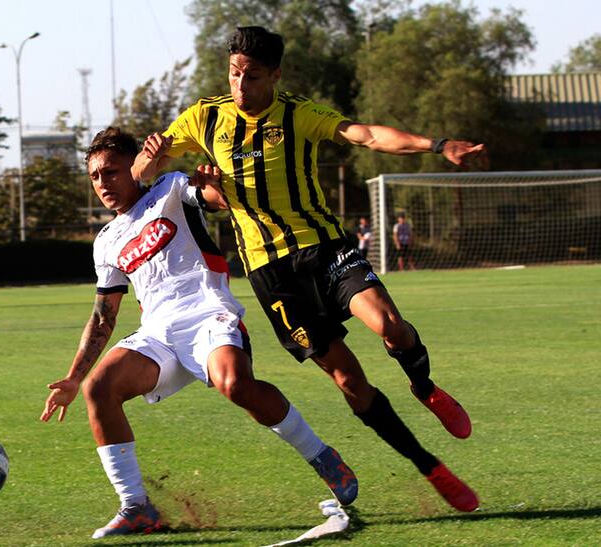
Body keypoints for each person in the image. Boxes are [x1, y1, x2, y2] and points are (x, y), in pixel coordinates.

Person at [132, 26, 484, 512]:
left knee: (391, 326)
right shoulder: (204, 117)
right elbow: (141, 174)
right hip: (273, 276)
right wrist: (150, 160)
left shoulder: (298, 115)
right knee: (350, 382)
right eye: (234, 74)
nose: (241, 85)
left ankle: (424, 387)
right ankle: (431, 468)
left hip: (325, 249)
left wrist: (438, 144)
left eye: (253, 76)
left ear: (276, 75)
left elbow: (366, 134)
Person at [41, 127, 358, 540]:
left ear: (135, 166)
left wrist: (213, 187)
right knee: (98, 388)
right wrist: (74, 377)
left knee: (236, 385)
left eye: (112, 171)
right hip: (158, 334)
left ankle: (321, 456)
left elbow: (214, 200)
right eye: (95, 176)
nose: (103, 183)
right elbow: (104, 316)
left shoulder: (170, 188)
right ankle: (137, 508)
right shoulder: (105, 241)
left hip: (209, 314)